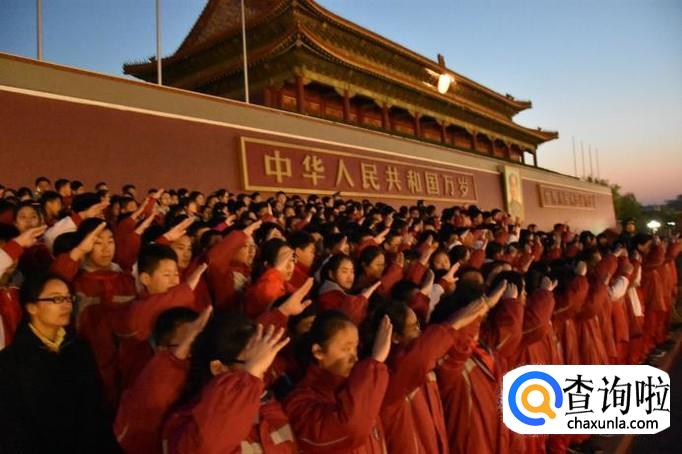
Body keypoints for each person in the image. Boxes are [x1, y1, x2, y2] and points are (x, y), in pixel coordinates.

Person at [0, 274, 119, 453]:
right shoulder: (10, 362)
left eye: (68, 298)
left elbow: (95, 411)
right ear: (32, 307)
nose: (66, 305)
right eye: (56, 299)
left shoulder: (79, 349)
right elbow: (13, 429)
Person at [164, 312, 295, 453]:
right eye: (253, 362)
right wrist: (250, 377)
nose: (264, 367)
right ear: (218, 368)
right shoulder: (186, 423)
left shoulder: (266, 404)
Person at [284, 310, 393, 453]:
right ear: (318, 352)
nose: (354, 357)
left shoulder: (358, 388)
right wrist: (375, 364)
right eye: (346, 349)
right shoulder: (300, 401)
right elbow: (349, 428)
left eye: (355, 348)